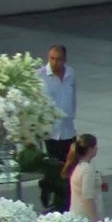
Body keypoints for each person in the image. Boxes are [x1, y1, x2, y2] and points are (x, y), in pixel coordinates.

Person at [38, 44, 76, 210]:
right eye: (52, 58)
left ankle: (65, 200)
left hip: (68, 129)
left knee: (69, 165)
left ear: (64, 60)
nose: (54, 62)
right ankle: (50, 193)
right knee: (54, 168)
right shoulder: (40, 76)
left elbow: (72, 96)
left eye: (58, 59)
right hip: (51, 132)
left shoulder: (70, 73)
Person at [63, 134, 107, 222]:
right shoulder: (87, 169)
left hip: (76, 214)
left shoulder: (79, 166)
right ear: (90, 149)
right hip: (85, 218)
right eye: (95, 147)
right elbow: (87, 196)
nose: (96, 149)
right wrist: (94, 221)